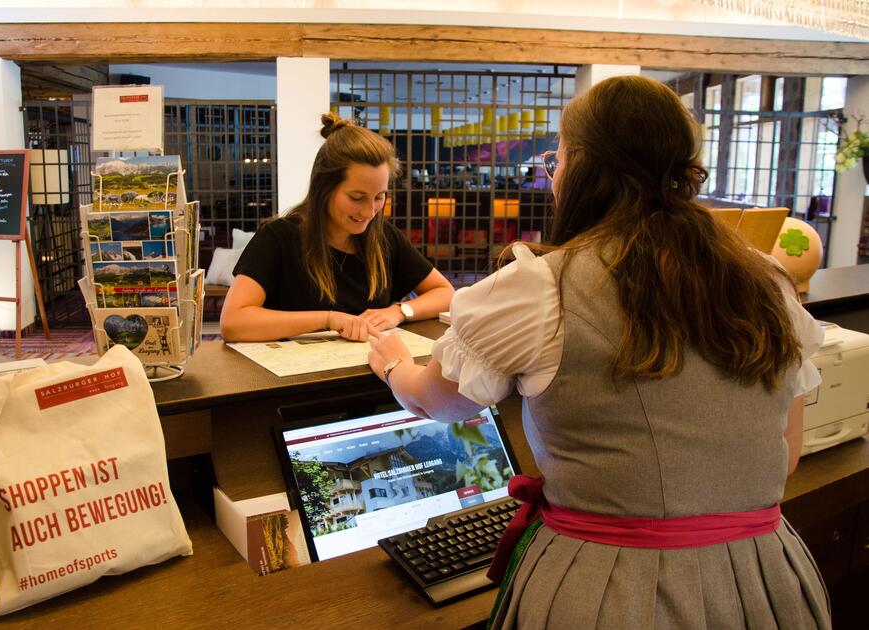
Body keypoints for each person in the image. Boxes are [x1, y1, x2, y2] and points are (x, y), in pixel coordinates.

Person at [368, 75, 830, 629]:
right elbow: (788, 451)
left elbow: (439, 404)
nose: (554, 173)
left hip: (612, 588)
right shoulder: (768, 281)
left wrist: (395, 361)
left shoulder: (541, 286)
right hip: (765, 579)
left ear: (584, 163)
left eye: (555, 158)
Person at [221, 113, 454, 342]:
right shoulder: (279, 237)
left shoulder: (384, 237)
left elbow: (445, 293)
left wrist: (399, 311)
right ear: (324, 188)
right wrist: (329, 319)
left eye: (379, 197)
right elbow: (233, 322)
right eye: (356, 197)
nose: (369, 212)